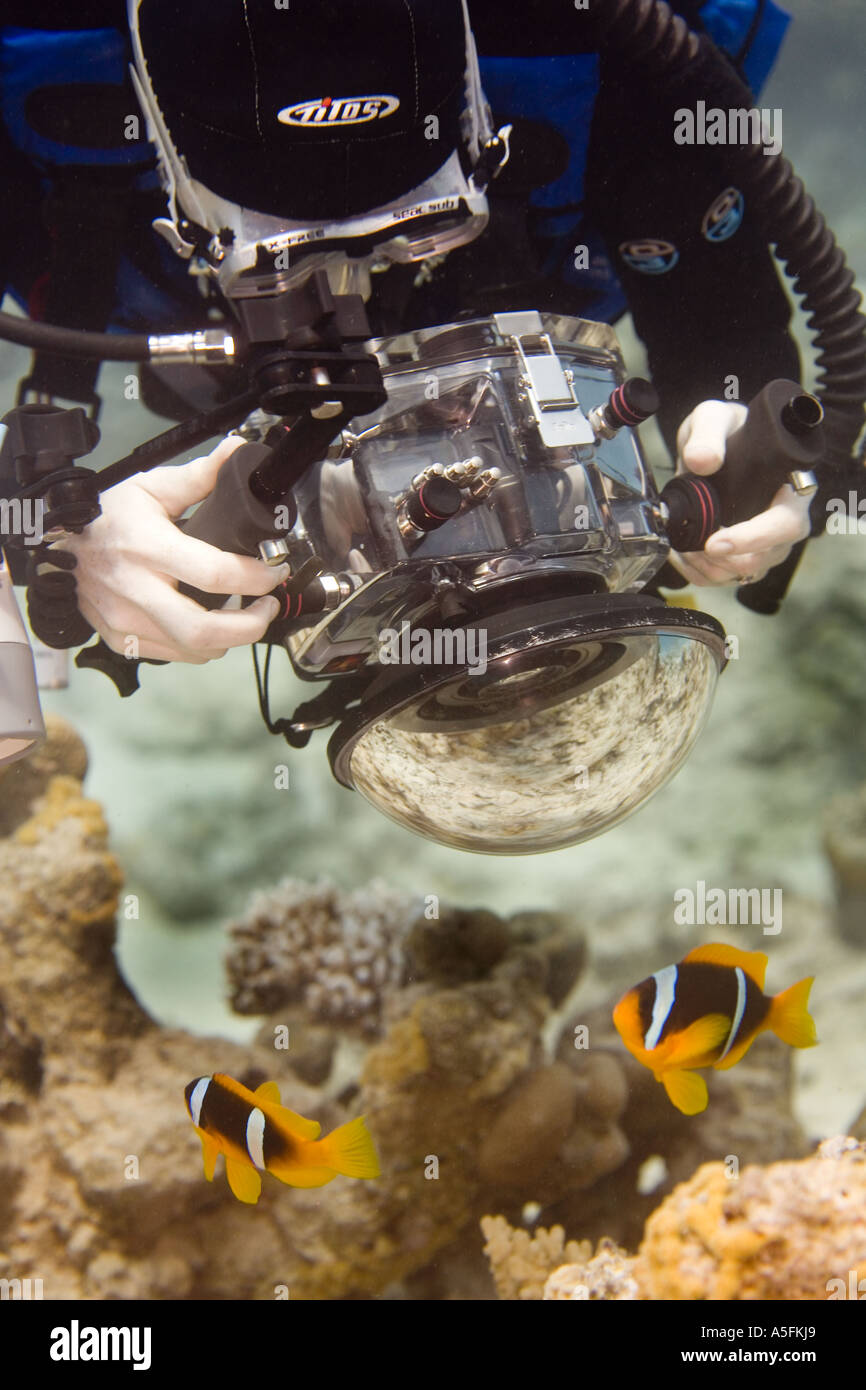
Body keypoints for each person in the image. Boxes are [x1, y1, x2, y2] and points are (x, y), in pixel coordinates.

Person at [0, 0, 816, 690]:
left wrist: (752, 462)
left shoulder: (605, 44)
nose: (334, 280)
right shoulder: (34, 47)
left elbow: (725, 329)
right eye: (271, 241)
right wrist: (55, 536)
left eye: (416, 220)